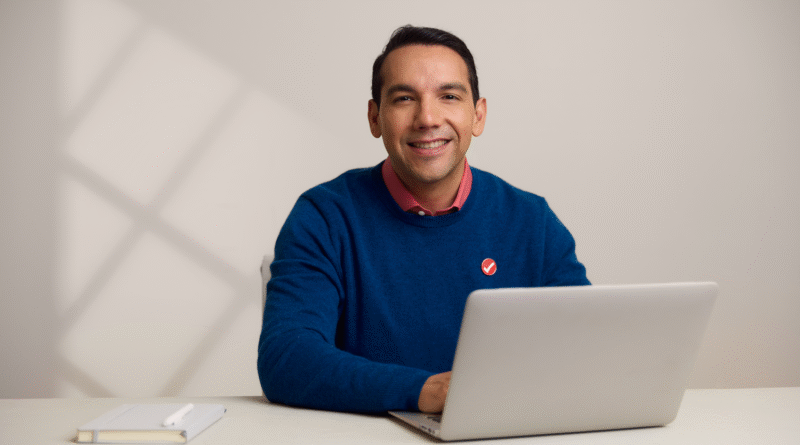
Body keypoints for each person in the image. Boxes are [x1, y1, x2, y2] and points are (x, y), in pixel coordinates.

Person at [257, 25, 590, 414]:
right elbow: (287, 358)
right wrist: (423, 391)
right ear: (375, 118)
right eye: (404, 98)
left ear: (478, 115)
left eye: (449, 96)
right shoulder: (325, 216)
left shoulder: (533, 222)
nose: (427, 118)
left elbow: (587, 347)